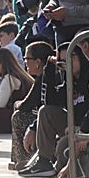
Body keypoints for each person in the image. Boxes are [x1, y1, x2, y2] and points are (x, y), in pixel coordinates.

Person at [18, 44, 89, 177]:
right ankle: (43, 162)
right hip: (72, 127)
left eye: (70, 58)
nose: (68, 64)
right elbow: (50, 101)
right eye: (63, 61)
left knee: (62, 147)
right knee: (45, 111)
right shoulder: (68, 79)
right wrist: (49, 71)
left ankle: (59, 167)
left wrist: (81, 128)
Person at [11, 40, 54, 169]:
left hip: (50, 122)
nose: (25, 62)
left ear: (38, 62)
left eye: (27, 58)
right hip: (43, 119)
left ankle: (24, 159)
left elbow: (25, 105)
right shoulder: (41, 77)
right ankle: (18, 158)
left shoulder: (45, 78)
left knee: (19, 117)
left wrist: (16, 104)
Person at [0, 47, 33, 134]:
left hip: (14, 116)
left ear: (2, 64)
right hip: (22, 115)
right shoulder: (19, 76)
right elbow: (0, 99)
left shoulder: (9, 78)